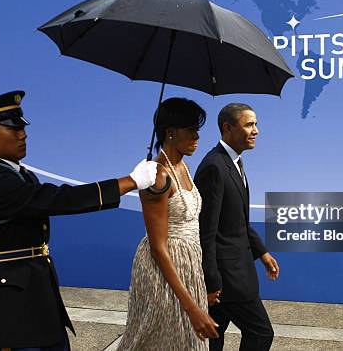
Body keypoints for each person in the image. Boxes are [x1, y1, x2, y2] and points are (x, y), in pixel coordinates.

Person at [0, 90, 158, 351]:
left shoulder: (20, 174)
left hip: (36, 289)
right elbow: (58, 199)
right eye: (13, 128)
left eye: (22, 127)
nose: (23, 134)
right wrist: (130, 182)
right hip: (12, 302)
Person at [118, 97, 219, 350]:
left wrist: (199, 284)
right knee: (160, 342)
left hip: (188, 267)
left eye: (198, 130)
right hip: (162, 271)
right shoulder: (158, 175)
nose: (197, 137)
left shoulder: (183, 167)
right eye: (191, 130)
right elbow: (158, 247)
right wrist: (192, 308)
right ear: (170, 133)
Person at [194, 103, 280, 351]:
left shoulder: (235, 163)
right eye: (249, 124)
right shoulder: (214, 167)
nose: (256, 131)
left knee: (213, 337)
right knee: (261, 332)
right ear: (227, 128)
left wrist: (261, 252)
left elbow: (237, 221)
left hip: (234, 270)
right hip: (228, 277)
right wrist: (212, 281)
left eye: (256, 124)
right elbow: (206, 231)